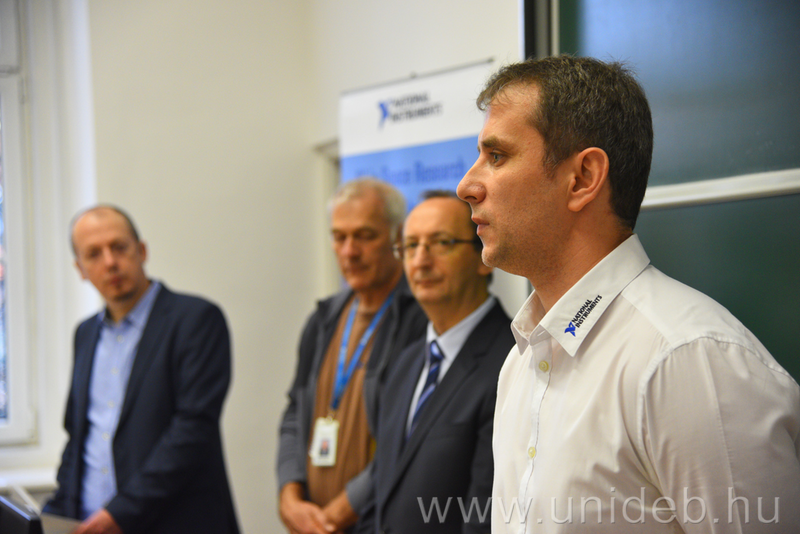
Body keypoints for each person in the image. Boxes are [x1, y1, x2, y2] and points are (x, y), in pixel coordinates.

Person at [456, 55, 800, 533]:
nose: (467, 186)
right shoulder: (521, 361)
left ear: (582, 178)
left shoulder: (688, 360)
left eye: (496, 157)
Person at [45, 206, 239, 534]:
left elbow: (192, 432)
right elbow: (79, 437)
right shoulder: (85, 334)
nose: (110, 262)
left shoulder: (196, 320)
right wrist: (54, 513)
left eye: (119, 247)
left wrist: (120, 514)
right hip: (90, 524)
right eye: (94, 254)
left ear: (142, 251)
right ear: (80, 269)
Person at [277, 178, 427, 534]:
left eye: (364, 236)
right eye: (339, 237)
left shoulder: (421, 320)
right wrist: (289, 494)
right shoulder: (323, 319)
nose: (349, 251)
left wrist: (342, 511)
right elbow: (295, 412)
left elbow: (411, 438)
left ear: (397, 238)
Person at [369, 191, 513, 534]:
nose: (420, 261)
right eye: (410, 246)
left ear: (483, 257)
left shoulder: (511, 363)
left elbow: (484, 518)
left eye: (441, 243)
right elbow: (384, 490)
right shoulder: (405, 362)